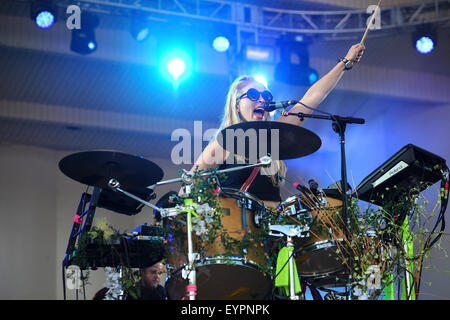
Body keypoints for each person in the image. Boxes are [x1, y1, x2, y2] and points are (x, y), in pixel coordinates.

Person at [184, 43, 365, 208]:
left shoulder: (275, 133)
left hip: (273, 232)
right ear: (236, 104)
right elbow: (191, 186)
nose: (262, 100)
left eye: (266, 96)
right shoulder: (223, 141)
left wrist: (345, 62)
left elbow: (311, 98)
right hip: (237, 232)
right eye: (253, 95)